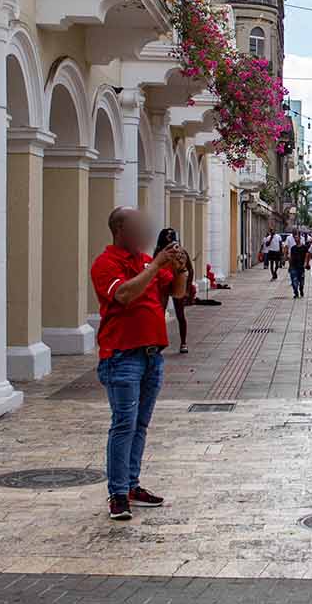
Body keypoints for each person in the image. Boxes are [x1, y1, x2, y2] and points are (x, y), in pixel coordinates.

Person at [90, 206, 186, 521]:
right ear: (120, 229)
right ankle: (118, 493)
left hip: (151, 356)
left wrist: (182, 268)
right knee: (123, 424)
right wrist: (157, 264)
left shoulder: (145, 261)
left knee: (140, 425)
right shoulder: (106, 264)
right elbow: (125, 295)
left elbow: (179, 291)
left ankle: (131, 484)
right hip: (122, 356)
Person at [154, 228, 196, 354]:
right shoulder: (159, 252)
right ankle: (158, 342)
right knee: (159, 314)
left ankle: (183, 342)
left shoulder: (181, 252)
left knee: (180, 314)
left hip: (178, 281)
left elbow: (190, 269)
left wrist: (188, 289)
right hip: (163, 283)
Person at [287, 232, 309, 299]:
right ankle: (296, 292)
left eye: (297, 238)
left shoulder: (304, 247)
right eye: (295, 238)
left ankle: (301, 289)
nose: (296, 239)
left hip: (301, 267)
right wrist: (289, 266)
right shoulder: (293, 248)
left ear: (300, 238)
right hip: (294, 266)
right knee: (294, 280)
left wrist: (305, 263)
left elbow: (307, 255)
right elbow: (291, 257)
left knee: (301, 281)